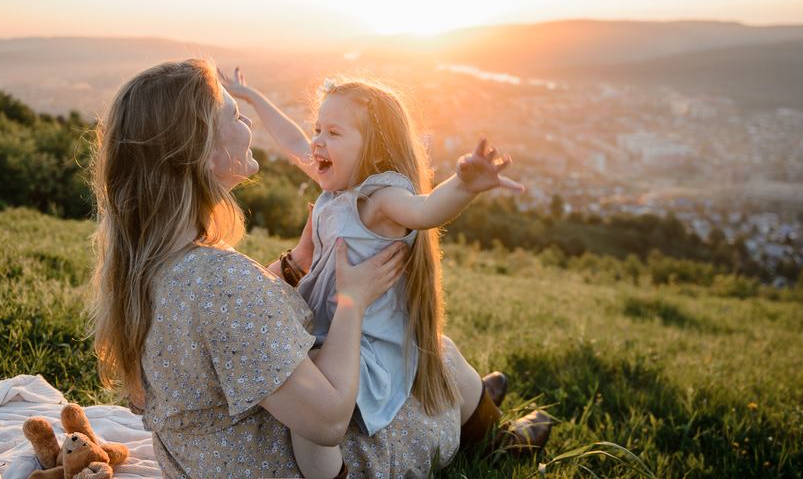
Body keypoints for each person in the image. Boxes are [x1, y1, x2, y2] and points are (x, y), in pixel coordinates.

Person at [90, 59, 548, 479]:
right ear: (202, 154)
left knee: (434, 361)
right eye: (233, 115)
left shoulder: (152, 265)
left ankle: (478, 413)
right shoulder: (221, 282)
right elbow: (328, 420)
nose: (245, 121)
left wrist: (291, 267)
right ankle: (494, 437)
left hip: (210, 455)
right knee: (441, 360)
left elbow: (223, 322)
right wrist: (352, 299)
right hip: (276, 460)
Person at [219, 69, 526, 478]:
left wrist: (465, 186)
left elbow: (425, 210)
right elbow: (292, 140)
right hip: (331, 330)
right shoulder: (338, 188)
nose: (316, 141)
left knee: (312, 414)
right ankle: (480, 409)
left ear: (374, 148)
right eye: (318, 129)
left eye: (333, 133)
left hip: (363, 347)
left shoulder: (380, 197)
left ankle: (336, 474)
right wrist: (251, 94)